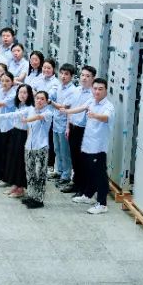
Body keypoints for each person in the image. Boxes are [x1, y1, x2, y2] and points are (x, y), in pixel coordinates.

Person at [70, 78, 115, 215]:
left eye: (100, 89)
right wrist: (66, 111)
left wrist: (95, 115)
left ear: (106, 90)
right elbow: (81, 108)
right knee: (89, 171)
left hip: (98, 147)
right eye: (95, 89)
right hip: (88, 144)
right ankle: (88, 195)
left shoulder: (108, 106)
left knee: (100, 175)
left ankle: (102, 204)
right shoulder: (91, 101)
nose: (97, 91)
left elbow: (106, 117)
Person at [0, 84, 35, 199]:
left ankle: (20, 188)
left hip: (23, 136)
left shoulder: (29, 108)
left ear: (29, 94)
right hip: (15, 133)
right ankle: (15, 185)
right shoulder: (19, 105)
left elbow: (13, 115)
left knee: (20, 162)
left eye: (25, 92)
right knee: (13, 160)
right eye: (20, 92)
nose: (22, 95)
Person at [57, 65, 95, 194]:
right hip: (73, 128)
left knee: (82, 159)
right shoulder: (76, 90)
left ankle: (83, 187)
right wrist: (68, 127)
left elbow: (82, 110)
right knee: (74, 158)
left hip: (84, 130)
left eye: (87, 76)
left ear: (92, 78)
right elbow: (70, 110)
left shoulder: (93, 94)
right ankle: (76, 183)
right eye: (83, 75)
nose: (84, 78)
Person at [20, 91, 54, 208]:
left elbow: (39, 117)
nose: (39, 101)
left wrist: (26, 120)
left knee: (39, 174)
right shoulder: (31, 110)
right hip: (29, 146)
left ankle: (39, 199)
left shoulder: (48, 113)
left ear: (46, 101)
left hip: (41, 147)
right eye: (37, 98)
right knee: (30, 173)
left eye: (42, 99)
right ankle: (31, 195)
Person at [50, 64, 76, 187]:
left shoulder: (73, 90)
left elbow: (63, 107)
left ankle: (66, 175)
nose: (63, 76)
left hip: (65, 124)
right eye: (61, 73)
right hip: (56, 122)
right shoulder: (59, 86)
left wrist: (50, 102)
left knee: (65, 151)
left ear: (72, 76)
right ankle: (59, 171)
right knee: (57, 149)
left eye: (66, 74)